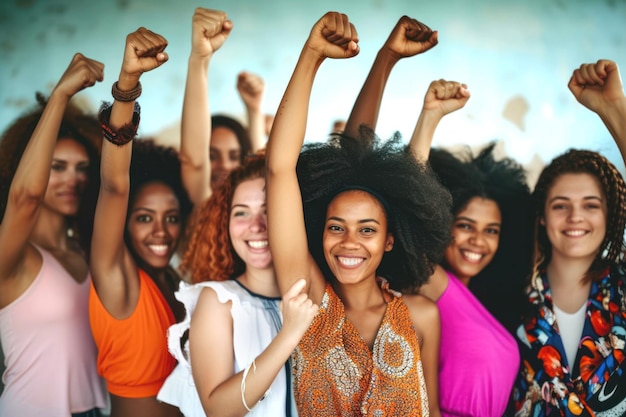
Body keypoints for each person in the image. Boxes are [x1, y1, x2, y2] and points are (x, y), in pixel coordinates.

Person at [266, 12, 452, 416]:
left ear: (389, 239)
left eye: (367, 229)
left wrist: (386, 57)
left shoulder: (421, 315)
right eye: (337, 227)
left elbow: (433, 411)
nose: (349, 241)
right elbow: (280, 168)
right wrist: (312, 55)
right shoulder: (310, 303)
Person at [156, 9, 317, 416]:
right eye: (240, 213)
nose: (257, 225)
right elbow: (218, 409)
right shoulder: (218, 300)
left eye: (268, 211)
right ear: (222, 224)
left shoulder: (310, 292)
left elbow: (278, 166)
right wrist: (200, 61)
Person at [512, 59, 626, 417]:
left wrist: (614, 108)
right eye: (561, 206)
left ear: (610, 216)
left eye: (591, 205)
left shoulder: (622, 285)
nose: (576, 217)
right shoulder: (508, 292)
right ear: (542, 217)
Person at [88, 27, 192, 417]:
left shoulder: (175, 281)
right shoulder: (117, 279)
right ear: (125, 224)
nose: (161, 231)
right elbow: (115, 186)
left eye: (171, 218)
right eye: (144, 218)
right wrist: (127, 85)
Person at [0, 53, 107, 416]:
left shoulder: (87, 251)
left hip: (95, 409)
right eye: (56, 167)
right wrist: (60, 96)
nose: (72, 179)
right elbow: (25, 197)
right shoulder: (12, 258)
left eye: (82, 169)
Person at [179, 8, 265, 206]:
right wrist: (199, 60)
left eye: (235, 156)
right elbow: (194, 163)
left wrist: (255, 110)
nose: (224, 166)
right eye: (211, 156)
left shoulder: (256, 209)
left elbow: (260, 167)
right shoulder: (202, 210)